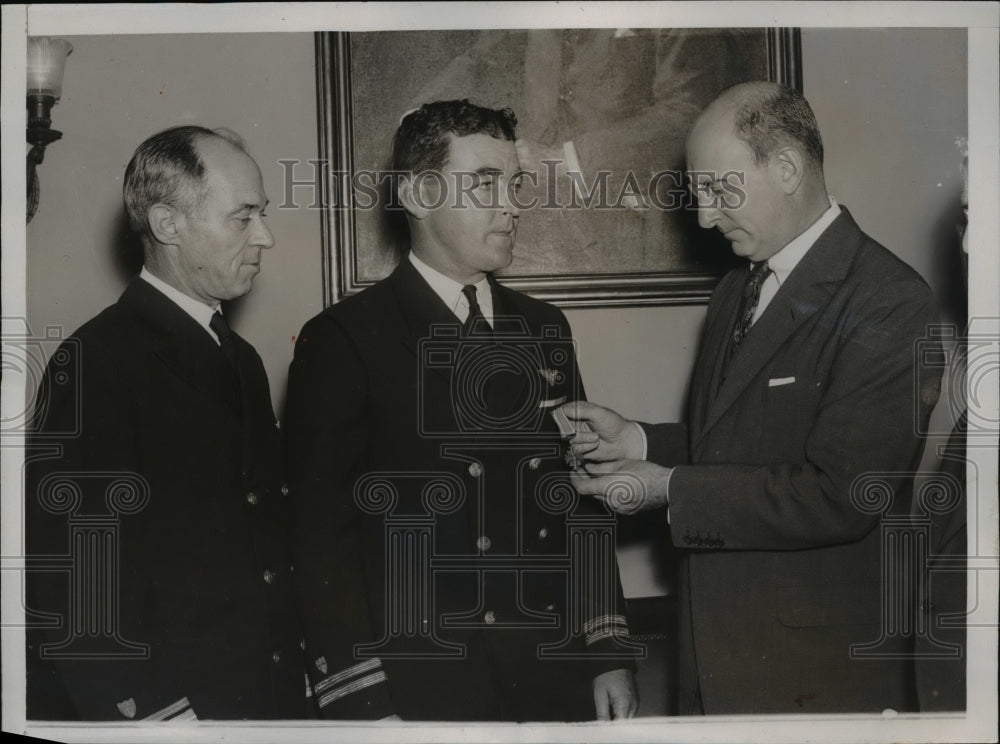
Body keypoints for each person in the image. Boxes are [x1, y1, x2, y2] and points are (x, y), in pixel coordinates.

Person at [562, 82, 943, 714]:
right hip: (708, 650)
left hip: (809, 673)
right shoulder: (734, 290)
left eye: (717, 190)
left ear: (787, 168)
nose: (706, 217)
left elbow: (840, 494)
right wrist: (637, 438)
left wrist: (667, 488)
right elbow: (740, 441)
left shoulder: (889, 300)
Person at [284, 99, 638, 722]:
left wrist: (606, 648)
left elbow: (579, 501)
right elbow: (321, 541)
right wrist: (363, 701)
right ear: (418, 195)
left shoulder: (544, 326)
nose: (513, 204)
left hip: (552, 670)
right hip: (425, 683)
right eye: (485, 183)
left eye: (516, 183)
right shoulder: (346, 339)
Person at [25, 125, 312, 720]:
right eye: (243, 217)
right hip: (178, 708)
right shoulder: (97, 360)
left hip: (265, 694)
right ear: (166, 224)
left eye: (262, 215)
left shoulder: (240, 357)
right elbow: (75, 570)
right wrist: (145, 713)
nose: (266, 237)